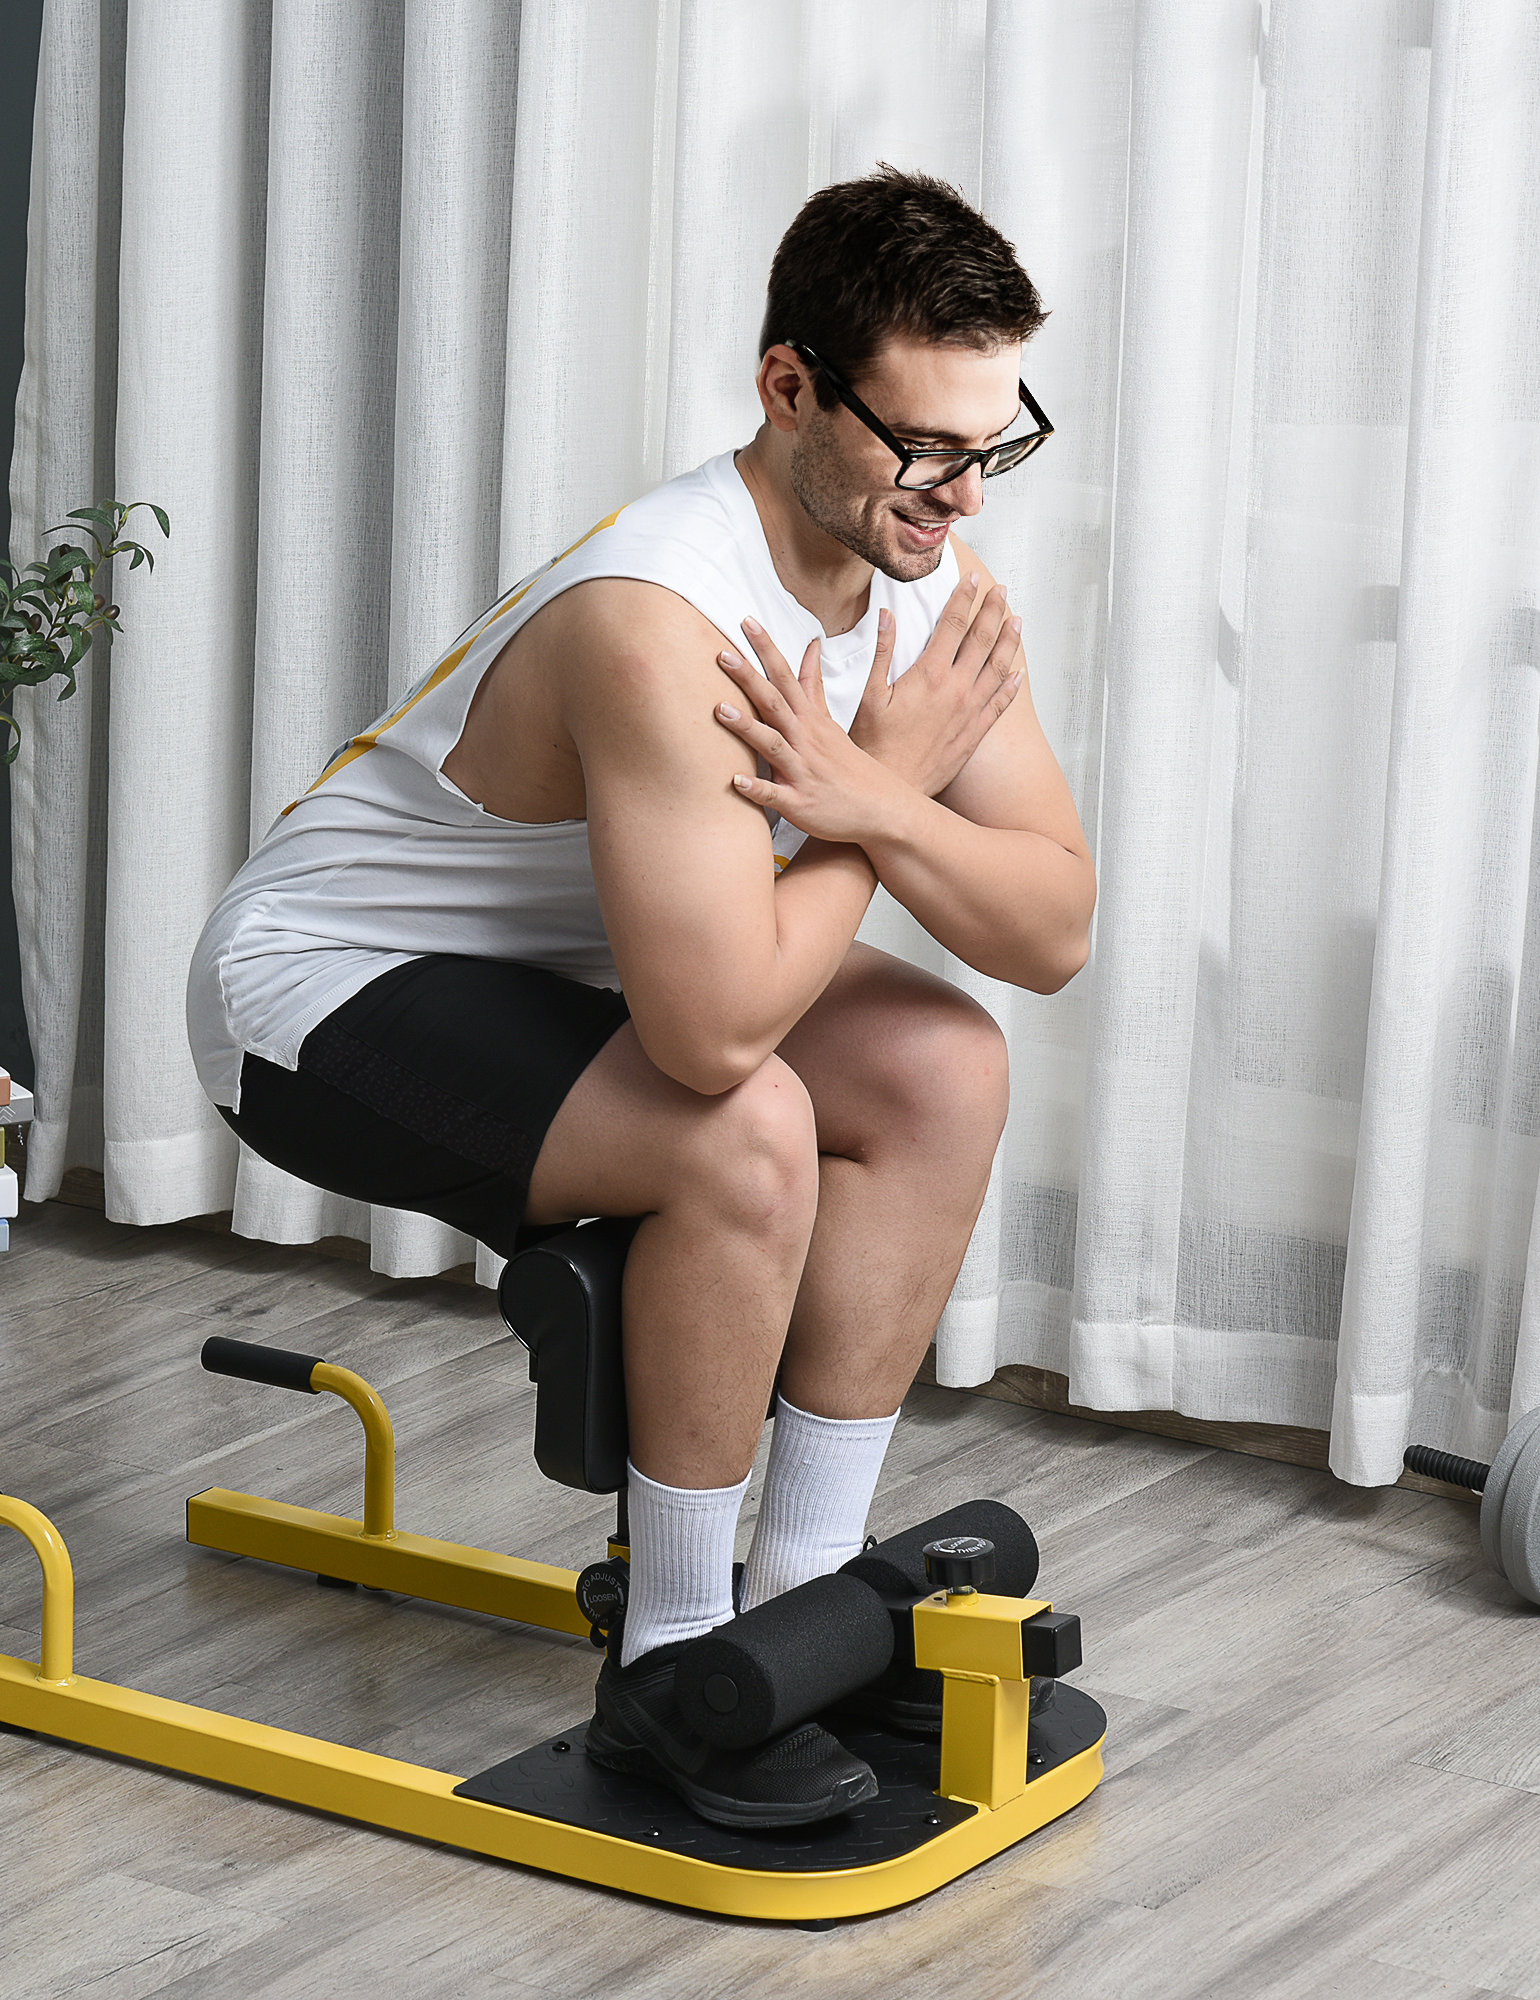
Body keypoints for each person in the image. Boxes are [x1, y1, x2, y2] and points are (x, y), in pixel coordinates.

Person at [187, 165, 1095, 1829]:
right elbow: (714, 1035)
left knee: (946, 1068)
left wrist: (878, 798)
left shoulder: (925, 582)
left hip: (587, 961)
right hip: (318, 994)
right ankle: (675, 1665)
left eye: (993, 446)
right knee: (744, 1129)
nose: (964, 499)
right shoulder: (661, 620)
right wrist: (885, 791)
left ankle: (804, 1606)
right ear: (789, 387)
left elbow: (1051, 929)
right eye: (926, 448)